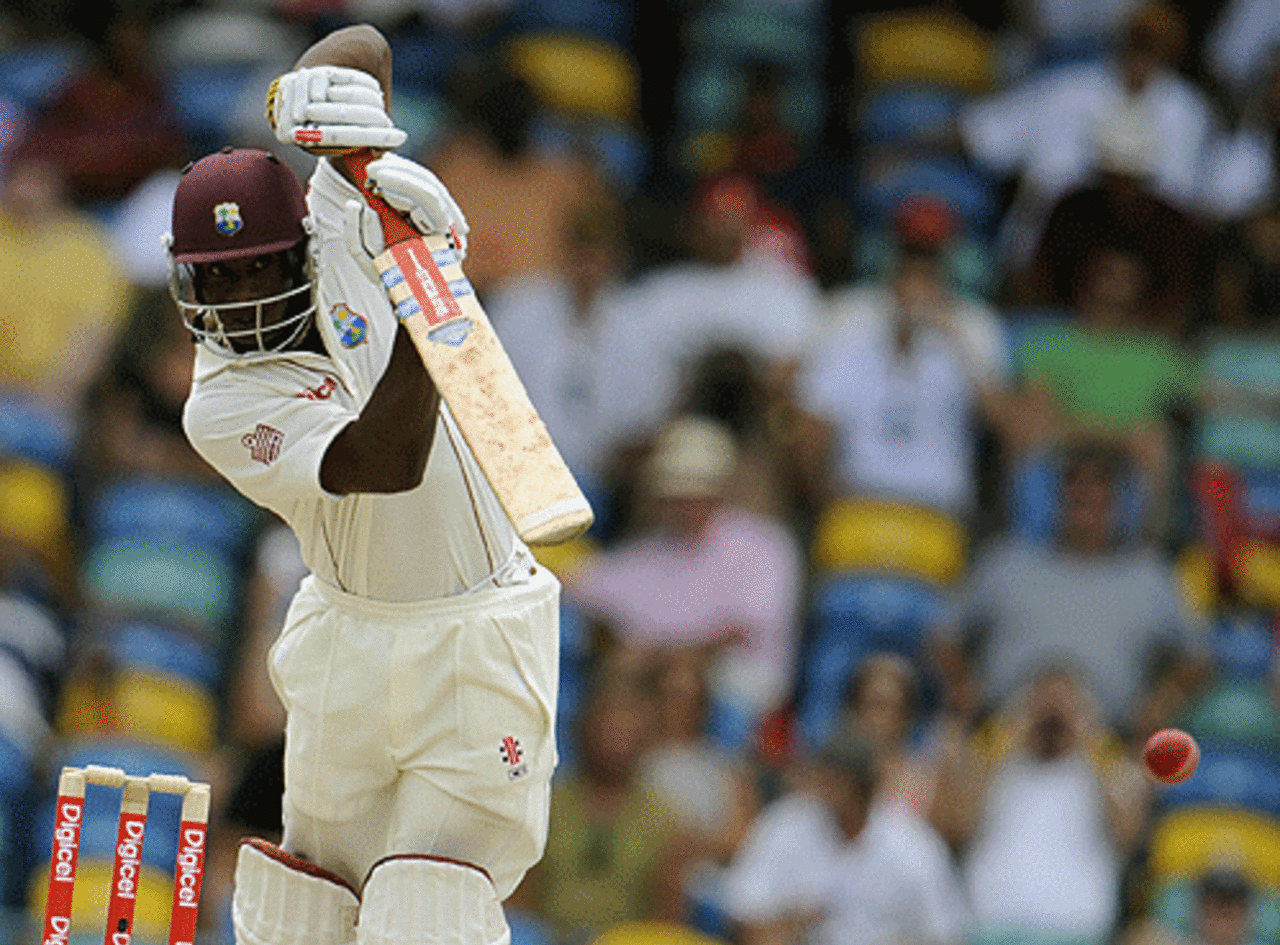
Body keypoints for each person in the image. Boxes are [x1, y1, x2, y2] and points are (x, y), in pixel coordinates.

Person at [171, 26, 561, 945]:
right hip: (346, 638)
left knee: (425, 912)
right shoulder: (219, 401)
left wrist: (310, 101)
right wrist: (429, 288)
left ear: (299, 248)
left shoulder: (343, 215)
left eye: (252, 270)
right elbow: (385, 464)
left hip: (472, 634)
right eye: (213, 280)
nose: (232, 303)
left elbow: (365, 45)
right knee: (303, 912)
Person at [933, 665, 1149, 943]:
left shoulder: (1106, 767)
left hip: (1077, 933)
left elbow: (1128, 835)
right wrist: (1006, 738)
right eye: (1041, 704)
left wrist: (1089, 740)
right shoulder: (992, 764)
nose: (1052, 717)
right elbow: (955, 827)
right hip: (991, 932)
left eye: (1065, 705)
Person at [722, 729, 968, 945]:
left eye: (839, 783)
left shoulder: (912, 843)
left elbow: (947, 932)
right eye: (824, 780)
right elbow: (743, 913)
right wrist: (793, 920)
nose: (828, 792)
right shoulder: (787, 823)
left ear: (866, 787)